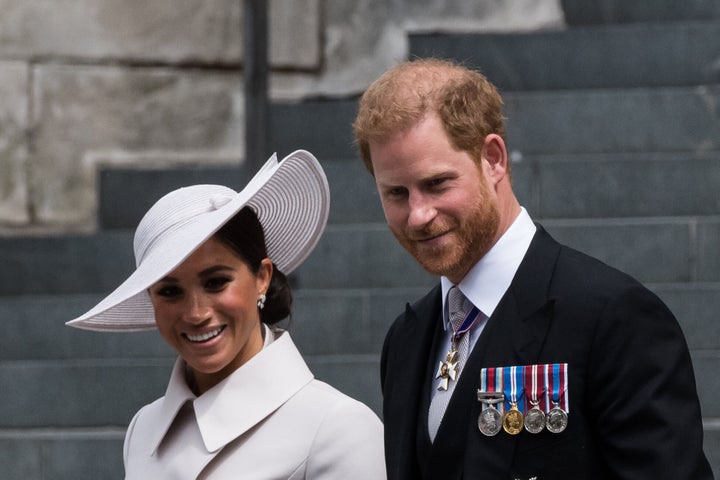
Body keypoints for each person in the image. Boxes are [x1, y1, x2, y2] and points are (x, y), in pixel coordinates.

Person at [353, 58, 713, 479]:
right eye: (396, 193)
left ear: (493, 159)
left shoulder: (612, 318)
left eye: (437, 184)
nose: (418, 215)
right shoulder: (406, 339)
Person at [67, 150, 387, 479]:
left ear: (262, 277)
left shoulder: (339, 429)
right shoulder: (143, 430)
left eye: (216, 282)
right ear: (151, 298)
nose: (196, 313)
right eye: (170, 291)